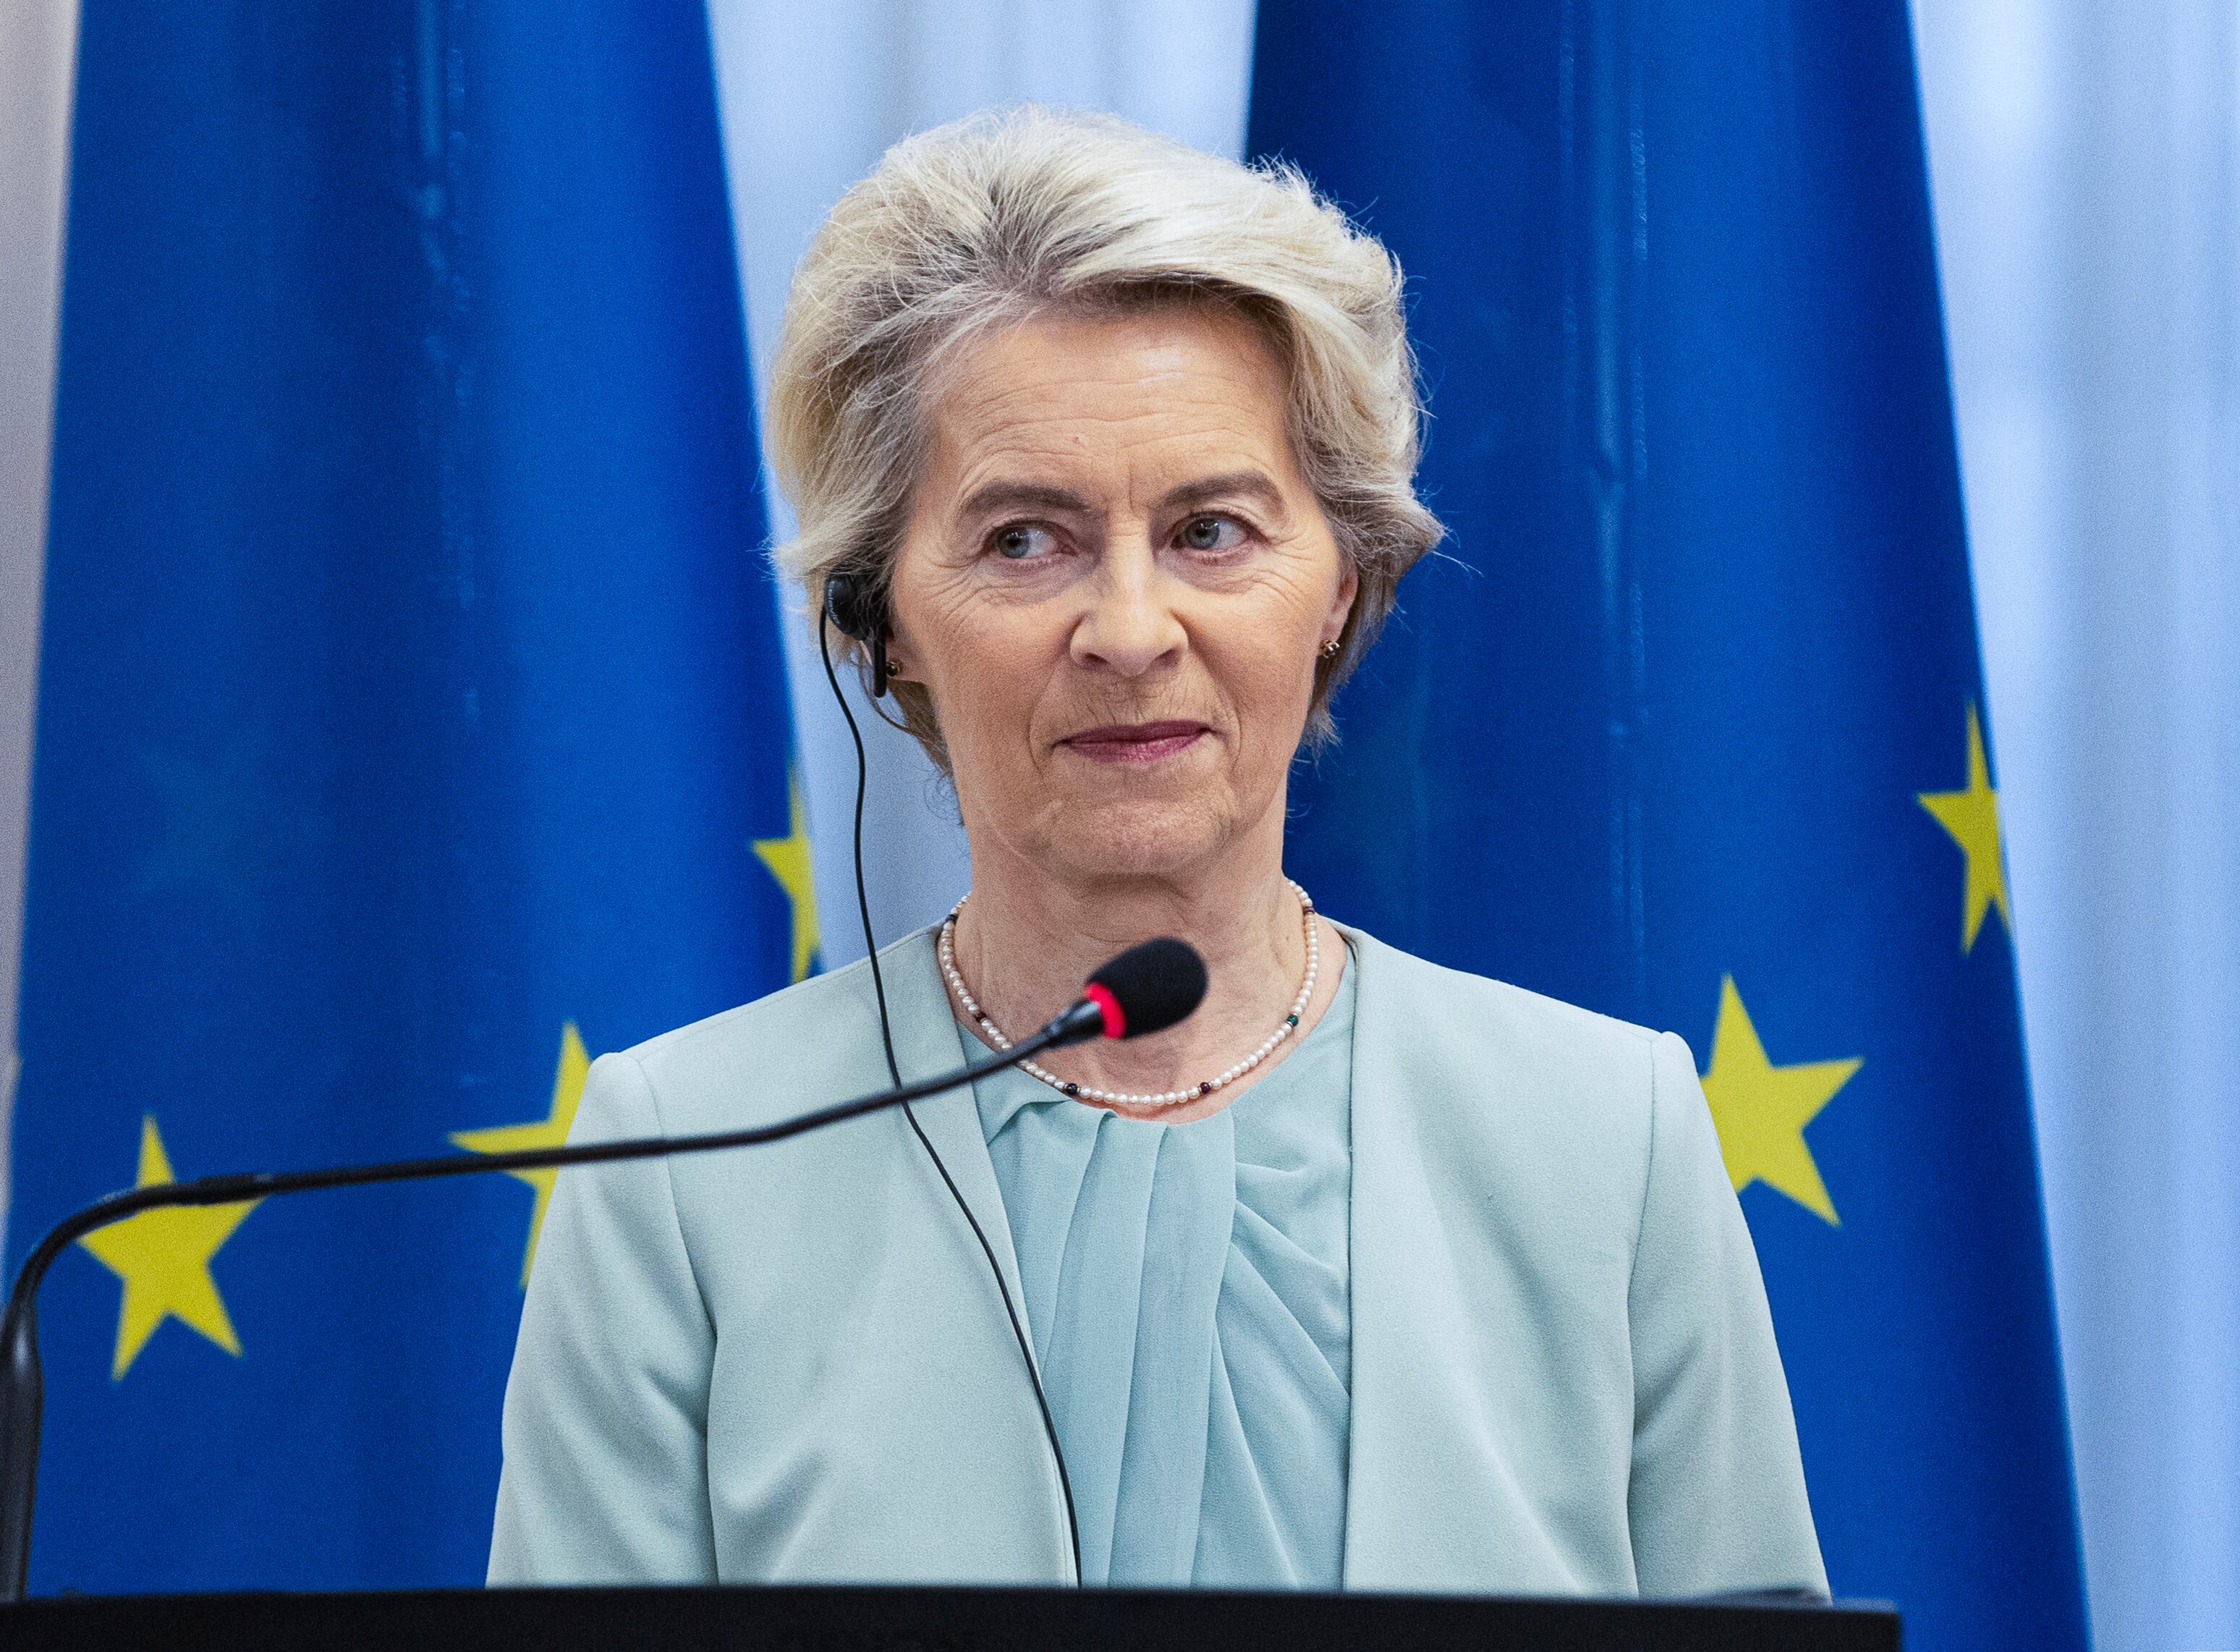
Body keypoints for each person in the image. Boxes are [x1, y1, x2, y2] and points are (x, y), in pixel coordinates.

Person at [487, 106, 1825, 1597]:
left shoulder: (1607, 1136)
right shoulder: (680, 1156)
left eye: (1211, 530)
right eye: (1023, 540)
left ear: (1342, 581)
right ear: (882, 630)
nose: (1130, 631)